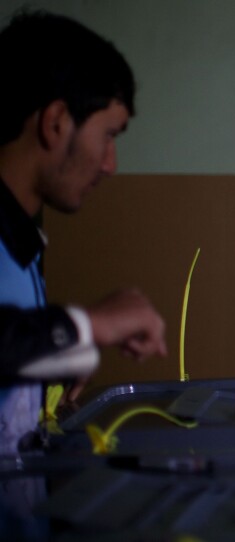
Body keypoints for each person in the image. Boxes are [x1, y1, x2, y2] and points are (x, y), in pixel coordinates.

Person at [0, 9, 167, 458]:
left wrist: (46, 362)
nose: (110, 165)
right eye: (108, 135)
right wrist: (83, 325)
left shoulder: (21, 247)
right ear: (56, 122)